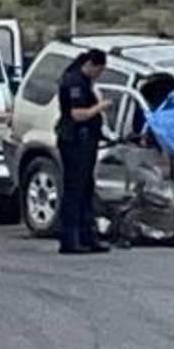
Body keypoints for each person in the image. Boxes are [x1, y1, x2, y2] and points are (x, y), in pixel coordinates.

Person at [57, 48, 113, 254]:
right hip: (74, 141)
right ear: (91, 65)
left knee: (86, 189)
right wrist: (100, 107)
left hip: (87, 141)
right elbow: (77, 114)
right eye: (98, 71)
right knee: (74, 189)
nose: (98, 76)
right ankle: (70, 239)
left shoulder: (85, 82)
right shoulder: (73, 82)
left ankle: (86, 236)